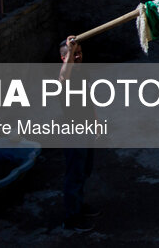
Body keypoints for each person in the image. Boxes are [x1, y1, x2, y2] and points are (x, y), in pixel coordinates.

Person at [59, 36, 99, 232]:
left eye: (80, 53)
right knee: (74, 173)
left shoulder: (83, 74)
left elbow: (89, 99)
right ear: (64, 58)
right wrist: (69, 50)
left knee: (84, 170)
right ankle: (71, 218)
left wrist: (96, 121)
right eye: (74, 55)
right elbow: (63, 76)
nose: (78, 56)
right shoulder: (64, 77)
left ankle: (79, 205)